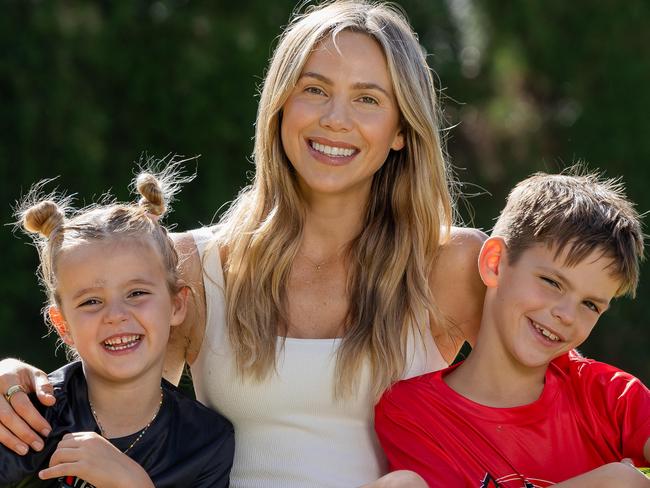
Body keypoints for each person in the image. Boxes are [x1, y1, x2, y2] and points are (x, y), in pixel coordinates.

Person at [0, 2, 485, 486]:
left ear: (401, 129)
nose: (336, 119)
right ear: (279, 105)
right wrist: (13, 381)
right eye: (314, 90)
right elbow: (111, 400)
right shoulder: (193, 265)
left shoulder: (451, 265)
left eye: (368, 99)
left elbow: (556, 408)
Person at [375, 171, 650, 487]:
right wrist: (613, 479)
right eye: (552, 282)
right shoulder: (412, 411)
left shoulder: (610, 394)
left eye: (590, 305)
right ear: (495, 263)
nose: (566, 314)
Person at [0, 167, 234, 487]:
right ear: (62, 324)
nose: (115, 315)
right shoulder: (29, 419)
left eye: (136, 293)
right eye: (91, 302)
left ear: (177, 305)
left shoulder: (206, 442)